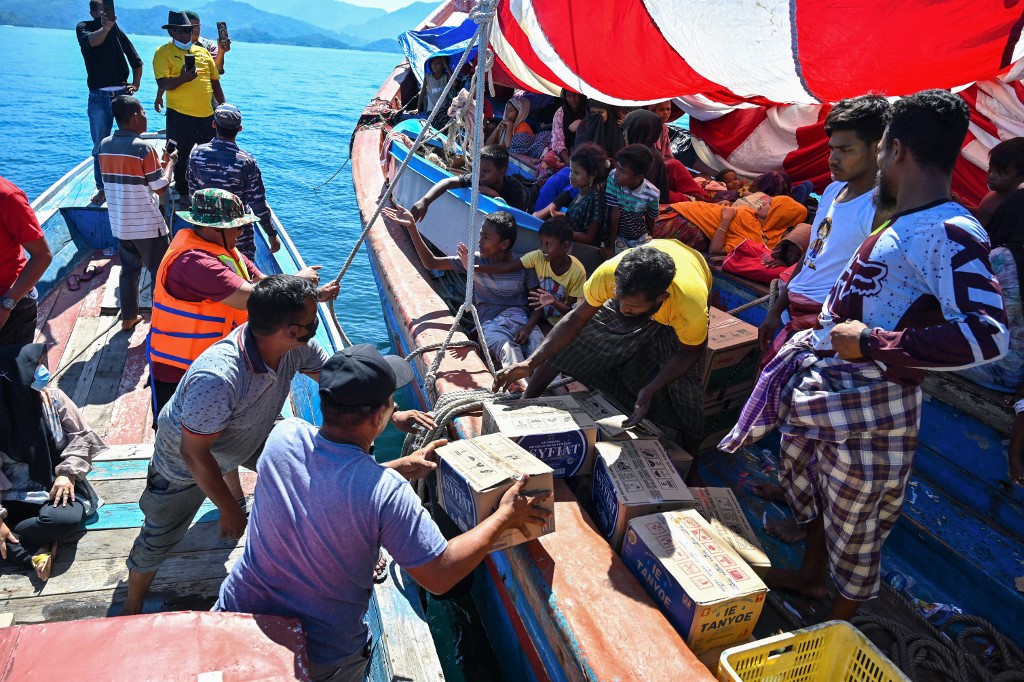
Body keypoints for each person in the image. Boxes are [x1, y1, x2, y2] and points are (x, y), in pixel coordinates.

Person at [719, 89, 1009, 620]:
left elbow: (988, 334)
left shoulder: (949, 229)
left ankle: (836, 625)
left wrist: (874, 343)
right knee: (817, 490)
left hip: (874, 400)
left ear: (894, 149)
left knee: (857, 525)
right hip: (834, 386)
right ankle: (810, 577)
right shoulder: (904, 218)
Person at [215, 344, 551, 681]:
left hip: (234, 616)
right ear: (379, 417)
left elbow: (329, 480)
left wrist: (399, 466)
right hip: (317, 657)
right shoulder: (387, 493)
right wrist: (504, 517)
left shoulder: (284, 436)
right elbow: (439, 576)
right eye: (392, 402)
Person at [123, 275, 332, 615]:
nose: (315, 326)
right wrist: (229, 509)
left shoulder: (296, 347)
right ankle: (131, 603)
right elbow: (194, 453)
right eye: (312, 321)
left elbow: (336, 377)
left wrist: (385, 410)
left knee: (313, 469)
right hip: (184, 464)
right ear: (292, 331)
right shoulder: (218, 378)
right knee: (158, 536)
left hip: (247, 433)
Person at [494, 240, 711, 453]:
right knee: (575, 341)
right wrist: (529, 363)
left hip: (689, 281)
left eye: (632, 306)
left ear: (661, 298)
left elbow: (690, 353)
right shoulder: (608, 275)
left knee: (685, 390)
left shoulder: (690, 307)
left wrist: (651, 389)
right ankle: (527, 398)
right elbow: (574, 320)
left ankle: (691, 457)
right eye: (620, 299)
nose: (624, 309)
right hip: (647, 277)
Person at [148, 188, 332, 423]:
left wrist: (313, 294)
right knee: (179, 430)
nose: (242, 231)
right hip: (180, 370)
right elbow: (252, 298)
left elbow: (265, 282)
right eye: (236, 226)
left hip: (219, 364)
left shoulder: (227, 253)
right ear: (215, 229)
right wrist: (299, 281)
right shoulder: (193, 262)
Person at [758, 94, 892, 368]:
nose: (832, 159)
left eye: (846, 150)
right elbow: (812, 254)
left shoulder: (881, 208)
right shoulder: (832, 190)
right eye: (832, 149)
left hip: (827, 327)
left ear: (878, 147)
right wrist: (776, 309)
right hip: (794, 312)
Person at [386, 205, 543, 368]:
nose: (480, 241)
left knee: (538, 345)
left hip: (520, 320)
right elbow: (431, 262)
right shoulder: (472, 261)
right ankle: (520, 382)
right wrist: (412, 227)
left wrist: (528, 327)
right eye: (480, 235)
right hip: (491, 324)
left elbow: (537, 303)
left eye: (486, 238)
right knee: (508, 351)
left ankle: (553, 383)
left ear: (504, 244)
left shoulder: (523, 265)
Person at [0, 344, 105, 581]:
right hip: (10, 494)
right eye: (35, 366)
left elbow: (82, 437)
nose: (42, 370)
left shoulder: (53, 399)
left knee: (65, 520)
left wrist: (67, 474)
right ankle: (38, 551)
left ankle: (24, 541)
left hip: (54, 487)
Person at [98, 95, 176, 331]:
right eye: (143, 113)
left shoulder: (104, 145)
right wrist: (171, 163)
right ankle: (160, 321)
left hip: (121, 224)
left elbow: (131, 177)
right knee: (160, 272)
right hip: (147, 225)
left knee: (129, 271)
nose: (145, 117)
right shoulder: (143, 148)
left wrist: (159, 165)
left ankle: (128, 317)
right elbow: (160, 187)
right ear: (134, 118)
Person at [459, 216, 586, 339]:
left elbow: (571, 313)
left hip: (562, 324)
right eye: (541, 243)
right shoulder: (538, 257)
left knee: (544, 344)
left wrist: (553, 302)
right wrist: (473, 268)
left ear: (565, 246)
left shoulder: (577, 272)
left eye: (548, 244)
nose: (543, 249)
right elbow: (507, 267)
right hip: (540, 317)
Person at [187, 104, 280, 260]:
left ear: (214, 124)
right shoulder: (246, 161)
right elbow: (257, 202)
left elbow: (193, 193)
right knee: (242, 270)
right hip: (237, 236)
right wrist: (271, 233)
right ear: (239, 129)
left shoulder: (196, 154)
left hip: (206, 231)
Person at [153, 10, 225, 202]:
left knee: (209, 155)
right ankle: (184, 193)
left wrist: (223, 107)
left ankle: (207, 190)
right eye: (180, 31)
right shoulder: (163, 53)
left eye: (188, 30)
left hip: (206, 115)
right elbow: (163, 83)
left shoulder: (203, 52)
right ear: (171, 32)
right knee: (180, 155)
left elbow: (215, 82)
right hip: (179, 115)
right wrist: (183, 78)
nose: (185, 35)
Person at [77, 0, 144, 205]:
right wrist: (105, 28)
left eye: (108, 11)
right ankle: (102, 189)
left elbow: (136, 60)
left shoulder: (116, 30)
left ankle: (135, 183)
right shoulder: (84, 27)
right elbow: (91, 42)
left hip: (122, 95)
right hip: (98, 97)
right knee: (100, 145)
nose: (105, 14)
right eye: (101, 11)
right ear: (92, 12)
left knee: (132, 140)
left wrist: (136, 83)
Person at [656, 193, 807, 255]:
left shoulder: (754, 236)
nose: (763, 202)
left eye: (770, 205)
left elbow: (716, 250)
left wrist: (725, 220)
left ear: (778, 216)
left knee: (642, 231)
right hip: (678, 210)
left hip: (687, 225)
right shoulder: (751, 213)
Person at [0, 177, 53, 347]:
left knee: (9, 363)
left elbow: (42, 256)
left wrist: (6, 304)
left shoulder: (8, 197)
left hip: (11, 303)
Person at [410, 144, 528, 218]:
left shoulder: (514, 189)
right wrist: (425, 201)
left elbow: (517, 219)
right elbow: (447, 182)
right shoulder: (476, 178)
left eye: (486, 171)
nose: (480, 174)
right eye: (477, 169)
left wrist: (495, 196)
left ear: (502, 171)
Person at [154, 10, 231, 114]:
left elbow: (216, 74)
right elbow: (165, 78)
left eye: (196, 26)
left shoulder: (207, 47)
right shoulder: (168, 49)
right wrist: (159, 95)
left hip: (208, 105)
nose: (195, 30)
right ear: (171, 32)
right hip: (179, 110)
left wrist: (221, 52)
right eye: (179, 30)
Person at [534, 143, 609, 246]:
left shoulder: (595, 199)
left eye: (576, 173)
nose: (571, 176)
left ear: (592, 175)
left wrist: (562, 231)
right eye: (570, 171)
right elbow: (577, 220)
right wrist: (561, 216)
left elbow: (588, 237)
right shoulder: (580, 193)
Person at [606, 145, 660, 254]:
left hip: (639, 236)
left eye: (622, 171)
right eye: (617, 167)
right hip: (618, 235)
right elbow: (615, 214)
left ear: (639, 177)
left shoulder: (652, 194)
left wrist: (651, 238)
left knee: (646, 256)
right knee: (617, 255)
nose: (616, 173)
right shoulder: (612, 178)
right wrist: (610, 245)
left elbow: (651, 218)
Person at [972, 137, 1024, 226]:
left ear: (1021, 178)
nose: (991, 176)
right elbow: (982, 215)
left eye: (1000, 173)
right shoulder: (994, 194)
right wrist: (959, 205)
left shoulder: (1011, 207)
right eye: (990, 169)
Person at [620, 109, 670, 202]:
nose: (623, 133)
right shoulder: (650, 154)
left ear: (636, 131)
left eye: (627, 130)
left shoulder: (646, 159)